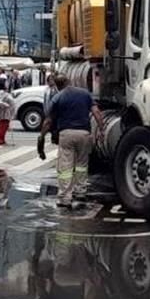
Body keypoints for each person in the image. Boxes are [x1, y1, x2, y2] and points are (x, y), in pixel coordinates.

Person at [39, 74, 105, 209]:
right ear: (69, 81)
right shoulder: (85, 94)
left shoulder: (58, 97)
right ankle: (80, 191)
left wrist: (42, 136)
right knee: (82, 164)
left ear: (57, 86)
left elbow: (48, 121)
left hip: (66, 134)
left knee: (65, 167)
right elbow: (96, 112)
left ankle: (64, 198)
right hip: (84, 133)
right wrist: (101, 130)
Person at [0, 77, 16, 145]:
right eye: (6, 83)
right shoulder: (0, 92)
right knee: (3, 125)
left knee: (5, 125)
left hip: (7, 112)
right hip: (3, 111)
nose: (7, 84)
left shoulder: (5, 92)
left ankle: (1, 138)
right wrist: (5, 105)